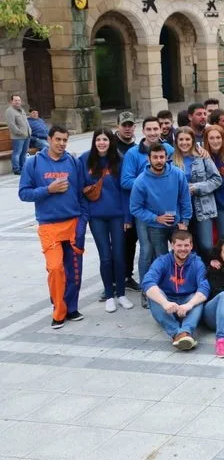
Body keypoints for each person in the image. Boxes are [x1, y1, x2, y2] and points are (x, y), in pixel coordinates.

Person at [18, 125, 87, 328]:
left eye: (65, 140)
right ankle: (58, 311)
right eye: (58, 139)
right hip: (48, 226)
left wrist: (83, 222)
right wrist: (48, 190)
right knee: (56, 269)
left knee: (74, 272)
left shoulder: (73, 162)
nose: (62, 144)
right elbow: (23, 193)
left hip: (72, 223)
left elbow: (82, 193)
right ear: (49, 139)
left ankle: (71, 308)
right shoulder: (33, 163)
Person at [80, 129, 133, 312]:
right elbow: (80, 188)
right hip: (96, 217)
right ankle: (109, 295)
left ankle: (121, 294)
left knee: (119, 256)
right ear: (94, 141)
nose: (102, 143)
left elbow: (125, 191)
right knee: (105, 257)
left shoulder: (119, 159)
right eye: (98, 139)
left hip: (117, 216)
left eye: (105, 139)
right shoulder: (85, 159)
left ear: (111, 141)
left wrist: (127, 216)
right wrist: (85, 214)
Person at [129, 143, 192, 281]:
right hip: (155, 226)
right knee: (162, 259)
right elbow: (135, 208)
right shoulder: (140, 181)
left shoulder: (177, 174)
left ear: (166, 157)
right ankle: (158, 288)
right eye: (155, 157)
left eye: (161, 157)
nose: (159, 160)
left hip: (177, 224)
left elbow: (185, 199)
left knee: (183, 254)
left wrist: (185, 221)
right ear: (148, 159)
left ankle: (184, 285)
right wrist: (155, 218)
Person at [141, 230, 210, 350]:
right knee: (155, 295)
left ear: (191, 246)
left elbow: (205, 288)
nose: (183, 249)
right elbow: (147, 282)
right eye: (179, 245)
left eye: (186, 245)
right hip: (167, 306)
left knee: (197, 298)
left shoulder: (197, 263)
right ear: (172, 245)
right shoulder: (162, 261)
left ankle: (185, 331)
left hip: (187, 305)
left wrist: (189, 304)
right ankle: (179, 334)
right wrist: (165, 303)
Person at [172, 127, 222, 260]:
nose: (184, 143)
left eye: (187, 139)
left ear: (193, 141)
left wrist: (196, 187)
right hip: (181, 210)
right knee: (185, 247)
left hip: (203, 206)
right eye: (181, 139)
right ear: (176, 142)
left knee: (206, 245)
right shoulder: (171, 160)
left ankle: (208, 270)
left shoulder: (202, 156)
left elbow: (217, 180)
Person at [6, 94, 31, 175]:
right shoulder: (9, 111)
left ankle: (23, 167)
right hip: (18, 137)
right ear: (11, 101)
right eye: (15, 100)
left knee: (24, 153)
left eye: (19, 100)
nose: (17, 102)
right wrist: (20, 132)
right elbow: (11, 125)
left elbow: (26, 122)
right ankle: (16, 169)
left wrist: (29, 130)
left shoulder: (21, 110)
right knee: (17, 153)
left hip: (27, 135)